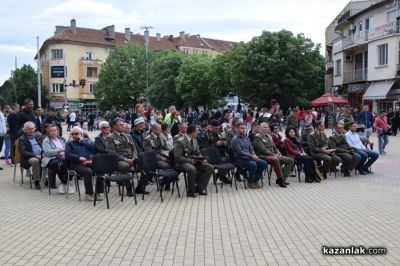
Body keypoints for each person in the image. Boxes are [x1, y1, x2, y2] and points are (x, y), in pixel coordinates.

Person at [174, 125, 213, 197]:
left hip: (195, 160)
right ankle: (191, 191)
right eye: (196, 132)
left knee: (209, 167)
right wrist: (191, 161)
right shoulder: (180, 141)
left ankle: (200, 188)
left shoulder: (194, 140)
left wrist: (202, 159)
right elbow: (177, 157)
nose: (197, 133)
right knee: (192, 169)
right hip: (183, 162)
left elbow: (198, 152)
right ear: (193, 132)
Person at [106, 118, 143, 195]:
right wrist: (125, 159)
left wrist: (134, 157)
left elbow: (134, 149)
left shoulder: (128, 136)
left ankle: (140, 187)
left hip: (131, 158)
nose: (123, 126)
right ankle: (129, 189)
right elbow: (112, 153)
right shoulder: (110, 137)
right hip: (119, 160)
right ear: (114, 127)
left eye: (123, 125)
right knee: (126, 166)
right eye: (120, 125)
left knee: (146, 165)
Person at [65, 126, 104, 201]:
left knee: (100, 169)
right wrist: (78, 158)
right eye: (72, 134)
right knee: (88, 171)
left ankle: (98, 192)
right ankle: (89, 194)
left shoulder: (86, 141)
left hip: (88, 161)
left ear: (81, 134)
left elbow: (94, 149)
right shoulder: (69, 144)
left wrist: (82, 141)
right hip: (76, 163)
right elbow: (67, 154)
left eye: (76, 133)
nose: (74, 135)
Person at [254, 122, 293, 187]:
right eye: (264, 127)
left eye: (267, 127)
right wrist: (274, 155)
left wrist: (278, 153)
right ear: (260, 128)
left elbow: (274, 147)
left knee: (290, 160)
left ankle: (281, 178)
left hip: (273, 155)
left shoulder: (269, 136)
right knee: (275, 159)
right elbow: (263, 150)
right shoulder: (257, 137)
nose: (266, 129)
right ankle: (280, 180)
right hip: (263, 156)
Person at [231, 123, 267, 189]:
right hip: (239, 159)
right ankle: (250, 182)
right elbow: (240, 152)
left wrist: (254, 155)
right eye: (242, 128)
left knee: (263, 163)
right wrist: (251, 156)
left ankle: (255, 180)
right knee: (253, 164)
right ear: (237, 129)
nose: (244, 130)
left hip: (249, 157)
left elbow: (251, 148)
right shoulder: (235, 139)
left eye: (244, 128)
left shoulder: (246, 138)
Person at [41, 124, 71, 193]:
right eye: (50, 131)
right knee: (61, 165)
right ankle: (65, 184)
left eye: (54, 130)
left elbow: (67, 149)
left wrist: (64, 152)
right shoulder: (46, 140)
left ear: (58, 131)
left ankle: (64, 184)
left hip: (62, 158)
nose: (53, 132)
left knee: (70, 165)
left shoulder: (62, 139)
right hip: (49, 160)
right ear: (48, 132)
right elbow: (48, 152)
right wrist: (59, 151)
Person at [18, 122, 43, 189]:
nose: (32, 130)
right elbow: (23, 152)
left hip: (41, 155)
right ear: (25, 130)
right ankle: (36, 181)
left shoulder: (38, 136)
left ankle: (49, 180)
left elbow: (43, 146)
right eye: (29, 129)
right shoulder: (22, 139)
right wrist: (35, 155)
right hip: (28, 158)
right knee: (35, 161)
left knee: (52, 158)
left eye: (33, 128)